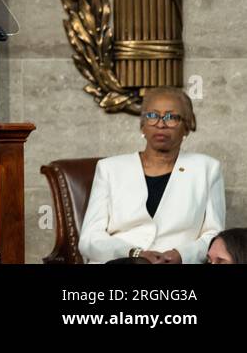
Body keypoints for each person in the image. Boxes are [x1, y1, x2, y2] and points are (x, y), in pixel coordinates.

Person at [78, 87, 224, 264]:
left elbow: (214, 234)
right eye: (152, 116)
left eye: (171, 117)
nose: (161, 124)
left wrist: (182, 255)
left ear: (186, 127)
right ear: (142, 125)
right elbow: (89, 239)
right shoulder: (109, 169)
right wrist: (134, 253)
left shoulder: (207, 169)